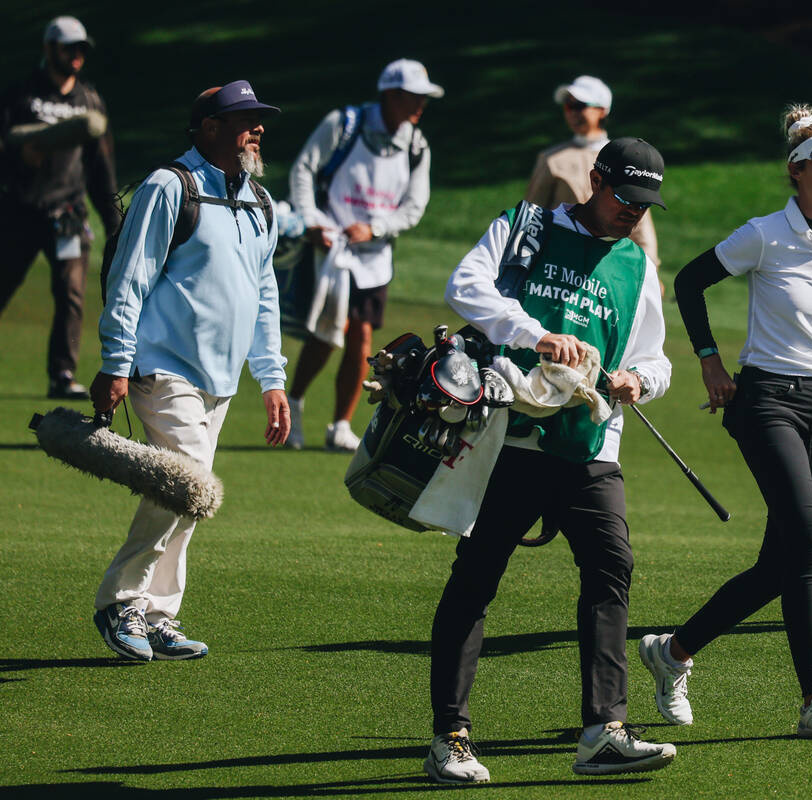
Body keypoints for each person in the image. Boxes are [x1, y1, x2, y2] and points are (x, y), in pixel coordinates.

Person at [638, 104, 812, 739]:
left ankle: (671, 652)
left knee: (781, 562)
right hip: (764, 401)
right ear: (797, 171)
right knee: (810, 540)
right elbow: (690, 282)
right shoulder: (762, 233)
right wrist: (709, 362)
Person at [424, 137, 675, 783]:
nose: (632, 213)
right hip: (509, 436)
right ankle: (449, 736)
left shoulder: (636, 263)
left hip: (590, 445)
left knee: (611, 569)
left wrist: (637, 383)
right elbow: (465, 285)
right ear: (594, 181)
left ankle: (603, 731)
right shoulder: (525, 227)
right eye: (624, 198)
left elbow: (656, 357)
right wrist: (535, 335)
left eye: (644, 204)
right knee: (477, 578)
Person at [88, 80, 290, 661]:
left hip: (219, 381)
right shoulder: (168, 185)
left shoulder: (259, 200)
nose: (257, 129)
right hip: (161, 367)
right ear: (210, 129)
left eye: (258, 119)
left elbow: (263, 291)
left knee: (189, 497)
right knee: (189, 481)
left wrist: (271, 378)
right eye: (245, 120)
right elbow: (131, 274)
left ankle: (157, 614)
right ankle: (120, 600)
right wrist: (116, 360)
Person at [284, 58, 440, 452]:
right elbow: (304, 169)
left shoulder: (417, 145)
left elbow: (414, 207)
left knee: (363, 337)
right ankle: (293, 404)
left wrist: (375, 228)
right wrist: (310, 221)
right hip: (331, 249)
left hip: (374, 256)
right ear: (390, 95)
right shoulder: (344, 123)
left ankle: (339, 424)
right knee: (326, 336)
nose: (420, 105)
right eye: (413, 97)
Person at [0, 16, 119, 399]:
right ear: (50, 48)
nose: (77, 56)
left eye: (82, 49)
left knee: (71, 293)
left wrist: (114, 223)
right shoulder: (20, 96)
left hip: (68, 215)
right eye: (70, 48)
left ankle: (62, 376)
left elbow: (102, 171)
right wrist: (21, 159)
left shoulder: (90, 102)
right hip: (20, 210)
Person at [525, 75, 660, 270]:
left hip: (611, 263)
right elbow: (531, 214)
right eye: (568, 106)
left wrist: (650, 266)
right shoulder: (551, 159)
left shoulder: (626, 158)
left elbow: (640, 218)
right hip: (559, 258)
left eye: (580, 106)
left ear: (602, 110)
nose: (572, 113)